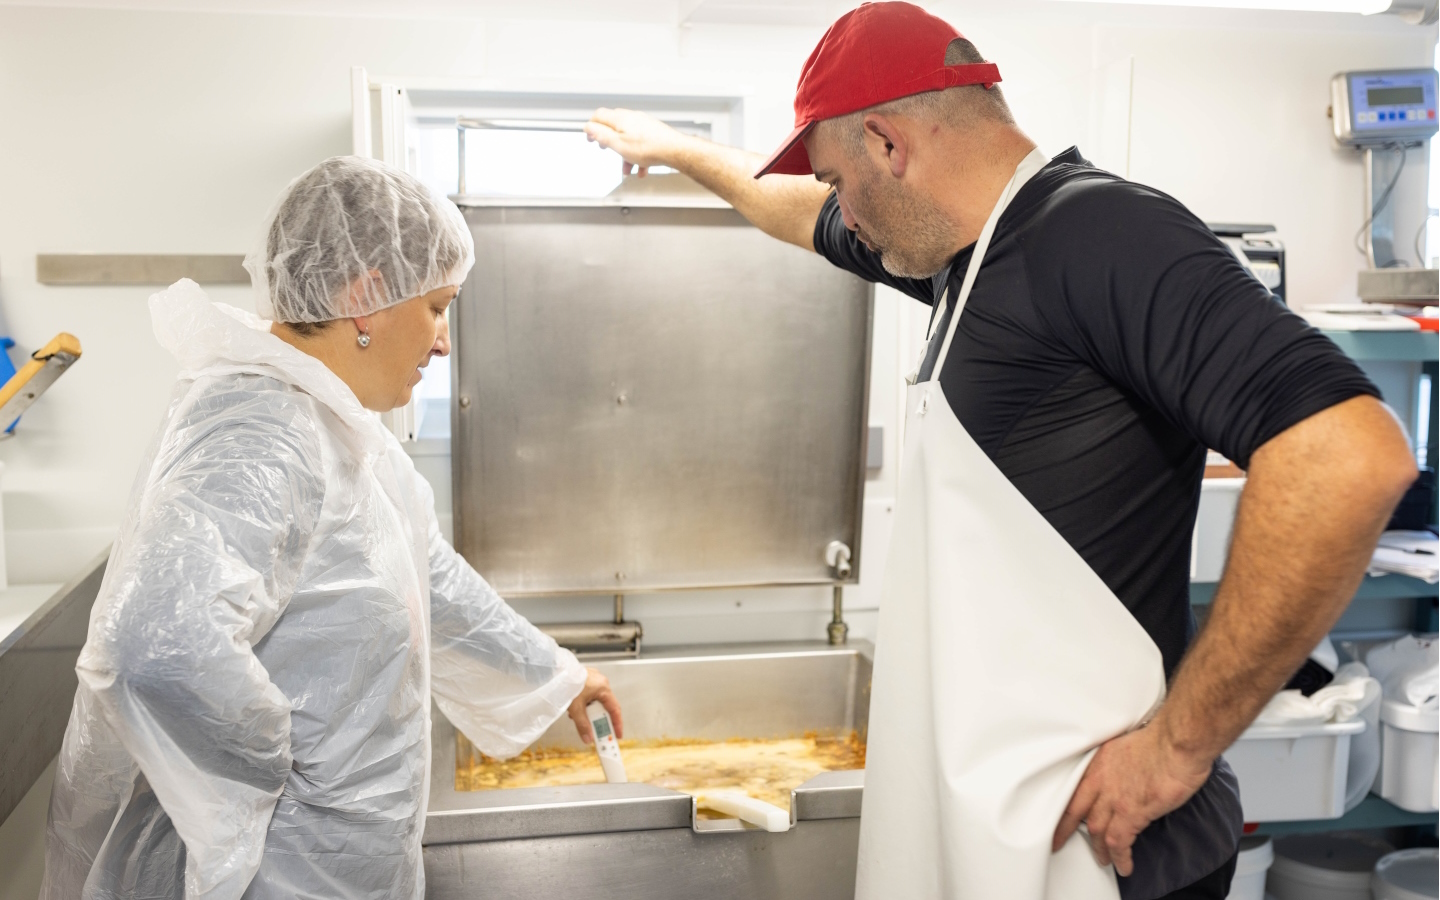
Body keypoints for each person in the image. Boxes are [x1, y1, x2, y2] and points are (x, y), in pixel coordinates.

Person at [583, 4, 1417, 900]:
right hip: (1005, 837)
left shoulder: (1099, 234)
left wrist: (1178, 747)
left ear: (888, 144)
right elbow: (786, 208)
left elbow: (1348, 454)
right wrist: (677, 148)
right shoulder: (955, 264)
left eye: (841, 181)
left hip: (1109, 858)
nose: (841, 213)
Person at [41, 156, 622, 899]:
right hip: (275, 878)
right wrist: (287, 772)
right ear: (365, 298)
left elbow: (429, 581)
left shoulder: (342, 433)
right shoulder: (261, 427)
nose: (444, 341)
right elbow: (151, 643)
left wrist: (556, 676)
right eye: (439, 306)